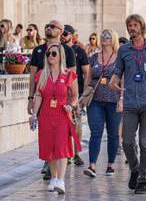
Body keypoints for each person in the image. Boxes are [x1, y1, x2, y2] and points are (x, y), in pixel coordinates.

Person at [110, 14, 146, 194]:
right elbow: (118, 72)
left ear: (142, 27)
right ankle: (135, 169)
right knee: (127, 142)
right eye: (129, 25)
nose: (131, 28)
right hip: (129, 103)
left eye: (135, 25)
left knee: (144, 142)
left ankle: (143, 178)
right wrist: (113, 81)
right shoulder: (124, 50)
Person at [27, 19, 76, 180]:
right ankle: (50, 165)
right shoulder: (38, 50)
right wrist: (31, 98)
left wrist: (71, 104)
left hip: (62, 102)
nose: (48, 28)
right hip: (45, 99)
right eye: (47, 26)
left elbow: (72, 79)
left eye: (53, 26)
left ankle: (58, 176)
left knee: (61, 140)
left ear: (61, 31)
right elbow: (33, 75)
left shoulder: (68, 51)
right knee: (47, 137)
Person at [31, 44, 79, 194]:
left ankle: (61, 181)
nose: (50, 56)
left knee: (61, 147)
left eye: (53, 54)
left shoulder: (69, 75)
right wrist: (34, 114)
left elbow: (75, 95)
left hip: (62, 115)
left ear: (60, 56)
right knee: (49, 147)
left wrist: (71, 106)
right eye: (48, 54)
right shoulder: (41, 74)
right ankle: (54, 177)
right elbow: (38, 95)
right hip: (45, 115)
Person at [83, 29, 122, 177]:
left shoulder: (119, 58)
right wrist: (84, 96)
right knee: (96, 132)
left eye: (108, 36)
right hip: (95, 101)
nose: (104, 38)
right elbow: (88, 77)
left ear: (113, 39)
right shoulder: (93, 57)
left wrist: (122, 99)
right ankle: (92, 165)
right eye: (103, 35)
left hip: (113, 100)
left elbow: (123, 79)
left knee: (113, 134)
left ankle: (110, 165)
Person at [61, 24, 90, 166]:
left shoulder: (80, 51)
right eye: (62, 33)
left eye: (65, 34)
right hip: (60, 93)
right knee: (63, 125)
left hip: (75, 92)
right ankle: (64, 154)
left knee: (77, 124)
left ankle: (77, 153)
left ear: (72, 35)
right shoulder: (57, 50)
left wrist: (84, 94)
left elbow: (86, 73)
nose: (63, 36)